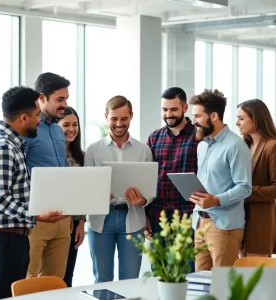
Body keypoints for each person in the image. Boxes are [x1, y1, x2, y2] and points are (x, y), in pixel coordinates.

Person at [0, 86, 66, 300]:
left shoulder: (10, 144)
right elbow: (0, 199)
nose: (38, 120)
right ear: (24, 118)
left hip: (6, 239)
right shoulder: (3, 147)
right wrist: (36, 215)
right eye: (36, 115)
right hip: (2, 240)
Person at [85, 95, 154, 283]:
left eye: (124, 118)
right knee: (102, 279)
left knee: (130, 280)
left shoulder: (143, 150)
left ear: (131, 116)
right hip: (100, 220)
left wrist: (143, 200)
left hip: (132, 219)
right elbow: (86, 188)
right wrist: (98, 196)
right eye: (114, 118)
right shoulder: (93, 150)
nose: (119, 123)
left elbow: (150, 189)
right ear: (106, 116)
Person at [189, 89, 252, 270]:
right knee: (200, 287)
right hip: (200, 222)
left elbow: (245, 187)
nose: (193, 122)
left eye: (198, 116)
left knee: (222, 287)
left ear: (214, 116)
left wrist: (216, 200)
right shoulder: (202, 146)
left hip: (225, 227)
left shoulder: (235, 146)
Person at [146, 87, 202, 272]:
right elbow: (146, 177)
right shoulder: (154, 138)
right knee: (159, 272)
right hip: (158, 215)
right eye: (165, 109)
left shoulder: (199, 137)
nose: (168, 114)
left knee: (186, 273)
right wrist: (144, 214)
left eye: (173, 109)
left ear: (185, 108)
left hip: (187, 215)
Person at [25, 72, 72, 279]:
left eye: (66, 99)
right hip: (37, 218)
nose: (64, 104)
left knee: (54, 282)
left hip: (62, 216)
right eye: (59, 99)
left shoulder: (57, 130)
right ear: (42, 98)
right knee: (28, 280)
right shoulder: (28, 129)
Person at [236, 99, 276, 257]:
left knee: (256, 274)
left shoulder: (272, 146)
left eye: (241, 118)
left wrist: (243, 192)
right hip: (240, 217)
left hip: (260, 220)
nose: (237, 123)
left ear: (256, 118)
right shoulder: (244, 146)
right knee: (241, 273)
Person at [58, 106, 86, 287]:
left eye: (75, 124)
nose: (71, 129)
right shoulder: (51, 155)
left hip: (75, 224)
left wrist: (82, 221)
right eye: (66, 124)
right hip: (57, 220)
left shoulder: (81, 156)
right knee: (53, 277)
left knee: (67, 278)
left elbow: (84, 192)